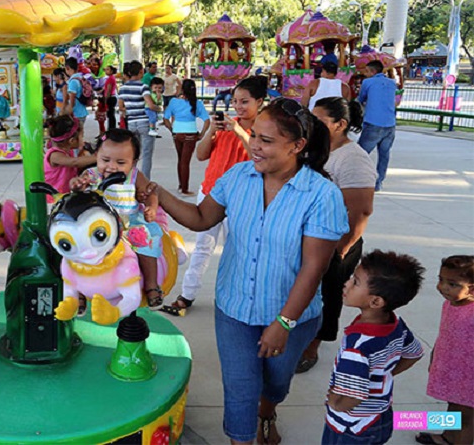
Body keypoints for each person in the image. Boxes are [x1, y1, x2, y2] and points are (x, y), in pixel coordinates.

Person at [138, 98, 348, 444]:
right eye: (254, 136)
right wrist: (154, 190)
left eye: (266, 140)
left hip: (291, 315)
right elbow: (201, 218)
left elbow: (315, 267)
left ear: (297, 146)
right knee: (240, 387)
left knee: (276, 383)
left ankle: (268, 411)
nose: (254, 145)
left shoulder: (321, 195)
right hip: (234, 308)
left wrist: (284, 323)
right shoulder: (238, 176)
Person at [163, 75, 264, 314]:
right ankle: (187, 295)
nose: (238, 106)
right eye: (235, 101)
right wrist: (211, 132)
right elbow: (201, 155)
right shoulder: (226, 125)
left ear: (259, 102)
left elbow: (259, 158)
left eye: (245, 101)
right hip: (209, 193)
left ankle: (233, 298)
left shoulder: (263, 130)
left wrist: (239, 132)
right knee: (202, 247)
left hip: (240, 201)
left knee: (236, 251)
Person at [297, 97, 376, 373]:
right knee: (306, 288)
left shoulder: (353, 158)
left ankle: (313, 346)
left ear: (340, 124)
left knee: (328, 294)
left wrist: (342, 249)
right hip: (311, 237)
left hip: (337, 242)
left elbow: (361, 210)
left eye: (317, 120)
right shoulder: (316, 149)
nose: (310, 125)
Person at [322, 250, 424, 444]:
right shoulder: (396, 324)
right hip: (381, 416)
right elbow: (414, 353)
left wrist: (335, 403)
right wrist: (385, 374)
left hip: (352, 426)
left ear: (376, 301)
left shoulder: (357, 346)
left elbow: (354, 397)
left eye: (355, 282)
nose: (347, 283)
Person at [70, 129, 164, 307]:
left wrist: (151, 206)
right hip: (96, 224)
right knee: (77, 247)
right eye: (105, 160)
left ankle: (151, 284)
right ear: (97, 156)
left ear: (133, 162)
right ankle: (79, 290)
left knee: (145, 243)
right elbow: (76, 185)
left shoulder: (134, 176)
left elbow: (151, 192)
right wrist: (77, 185)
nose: (112, 167)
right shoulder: (91, 175)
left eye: (120, 162)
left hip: (128, 223)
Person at [416, 255, 474, 445]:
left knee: (466, 418)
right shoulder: (450, 303)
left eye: (452, 284)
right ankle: (448, 437)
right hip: (452, 367)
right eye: (441, 280)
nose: (443, 287)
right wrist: (435, 357)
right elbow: (445, 334)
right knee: (454, 404)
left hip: (469, 375)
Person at [161, 78, 209, 196]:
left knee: (180, 160)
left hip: (177, 132)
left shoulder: (174, 102)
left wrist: (172, 130)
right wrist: (202, 134)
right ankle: (185, 189)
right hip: (191, 133)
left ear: (182, 89)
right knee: (185, 162)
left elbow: (166, 118)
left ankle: (181, 185)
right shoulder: (197, 103)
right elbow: (207, 121)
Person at [357, 60, 398, 191]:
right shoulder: (392, 83)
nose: (365, 74)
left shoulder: (367, 82)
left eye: (367, 71)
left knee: (359, 154)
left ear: (373, 71)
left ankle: (357, 179)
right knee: (384, 154)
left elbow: (361, 98)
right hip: (390, 124)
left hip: (373, 123)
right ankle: (378, 182)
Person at [117, 60, 156, 179]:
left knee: (134, 153)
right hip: (144, 122)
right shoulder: (143, 87)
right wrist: (158, 108)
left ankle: (131, 178)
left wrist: (130, 109)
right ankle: (145, 180)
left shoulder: (123, 88)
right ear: (141, 72)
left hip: (131, 123)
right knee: (147, 154)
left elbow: (121, 107)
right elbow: (150, 105)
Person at [43, 115, 96, 197]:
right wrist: (98, 157)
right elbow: (74, 162)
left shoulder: (68, 151)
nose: (83, 140)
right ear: (72, 141)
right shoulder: (54, 155)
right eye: (82, 136)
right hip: (54, 197)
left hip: (65, 193)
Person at [64, 57, 89, 131]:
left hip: (77, 114)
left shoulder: (73, 82)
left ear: (67, 68)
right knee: (80, 133)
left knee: (76, 134)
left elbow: (72, 103)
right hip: (82, 111)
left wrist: (65, 111)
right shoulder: (80, 78)